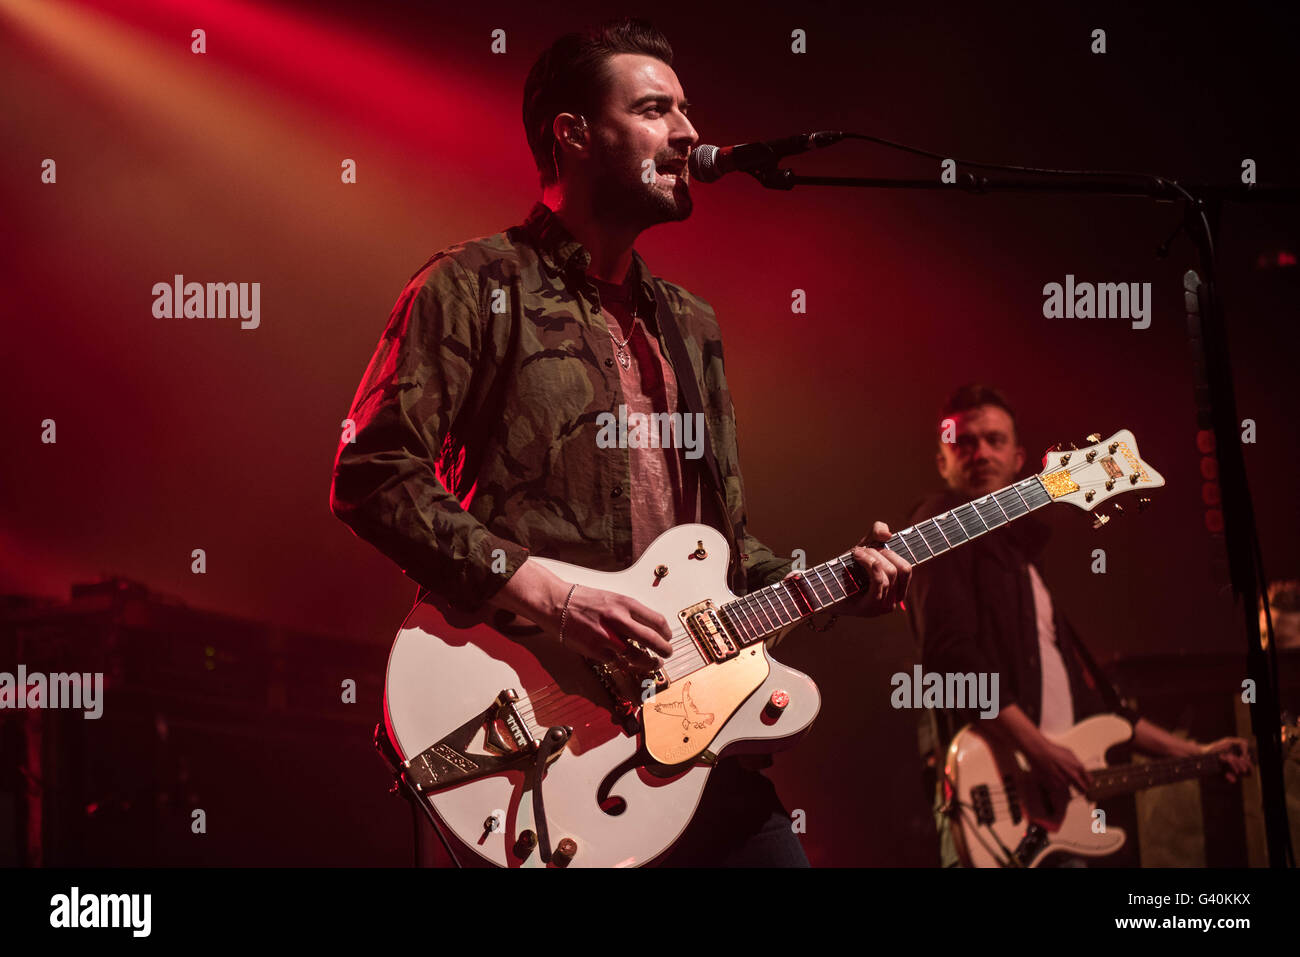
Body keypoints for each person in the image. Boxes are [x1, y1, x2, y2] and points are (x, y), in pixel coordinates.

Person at [329, 17, 910, 867]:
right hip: (536, 724)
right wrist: (558, 599)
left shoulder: (692, 325)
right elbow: (372, 473)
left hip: (695, 728)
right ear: (572, 135)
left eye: (686, 112)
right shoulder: (471, 285)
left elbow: (724, 544)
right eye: (655, 111)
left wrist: (827, 585)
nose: (688, 135)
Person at [905, 383, 1252, 867]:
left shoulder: (1025, 565)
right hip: (989, 804)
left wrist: (1198, 751)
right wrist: (1040, 749)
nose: (979, 452)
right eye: (963, 442)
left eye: (994, 439)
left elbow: (1102, 711)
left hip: (1051, 815)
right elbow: (951, 659)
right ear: (942, 461)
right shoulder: (938, 526)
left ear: (1020, 458)